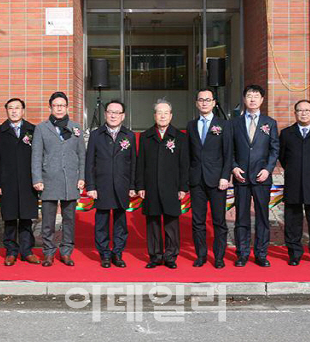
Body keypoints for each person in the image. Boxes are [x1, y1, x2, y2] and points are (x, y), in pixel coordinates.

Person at [32, 92, 85, 267]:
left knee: (69, 219)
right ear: (50, 107)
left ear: (67, 107)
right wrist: (37, 178)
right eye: (56, 105)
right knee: (48, 220)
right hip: (49, 179)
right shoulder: (41, 128)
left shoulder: (76, 128)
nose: (59, 108)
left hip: (70, 180)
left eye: (62, 105)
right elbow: (36, 155)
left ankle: (66, 252)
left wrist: (81, 177)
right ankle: (48, 253)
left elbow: (81, 156)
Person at [136, 99, 189, 269]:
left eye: (166, 113)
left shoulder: (180, 137)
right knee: (153, 222)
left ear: (171, 115)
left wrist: (183, 187)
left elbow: (184, 164)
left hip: (172, 186)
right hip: (151, 186)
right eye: (159, 112)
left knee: (171, 222)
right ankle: (155, 256)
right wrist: (140, 186)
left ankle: (171, 256)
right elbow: (140, 163)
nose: (163, 116)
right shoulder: (146, 136)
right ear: (154, 115)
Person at [230, 85, 279, 268]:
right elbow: (230, 149)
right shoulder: (234, 123)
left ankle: (261, 254)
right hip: (241, 177)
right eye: (249, 96)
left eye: (256, 96)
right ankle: (242, 253)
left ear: (262, 100)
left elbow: (275, 149)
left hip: (261, 177)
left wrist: (268, 169)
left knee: (262, 217)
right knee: (241, 217)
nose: (252, 99)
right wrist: (234, 168)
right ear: (244, 99)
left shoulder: (270, 122)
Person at [85, 99, 137, 268]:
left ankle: (118, 254)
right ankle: (105, 255)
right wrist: (91, 187)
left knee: (121, 223)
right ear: (105, 114)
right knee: (101, 223)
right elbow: (89, 163)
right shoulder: (96, 135)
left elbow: (133, 163)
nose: (113, 115)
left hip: (122, 186)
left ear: (123, 116)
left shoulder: (129, 135)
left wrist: (132, 186)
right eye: (110, 112)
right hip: (102, 186)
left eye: (117, 112)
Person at [278, 100, 310, 267]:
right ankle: (294, 253)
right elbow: (283, 157)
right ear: (295, 113)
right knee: (293, 221)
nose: (304, 113)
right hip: (293, 183)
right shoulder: (286, 133)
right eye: (300, 110)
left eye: (307, 110)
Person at [187, 89, 233, 269]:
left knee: (218, 220)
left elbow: (228, 153)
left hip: (217, 180)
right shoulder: (191, 125)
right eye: (201, 100)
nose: (204, 103)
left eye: (208, 100)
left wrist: (225, 176)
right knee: (197, 221)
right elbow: (189, 155)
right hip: (196, 179)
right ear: (197, 103)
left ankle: (219, 256)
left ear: (214, 103)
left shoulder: (223, 124)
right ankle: (201, 255)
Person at [0, 98, 40, 266]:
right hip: (7, 181)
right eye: (10, 108)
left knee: (26, 218)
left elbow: (39, 157)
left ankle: (27, 251)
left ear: (23, 111)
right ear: (6, 111)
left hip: (28, 181)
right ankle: (11, 251)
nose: (14, 111)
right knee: (10, 218)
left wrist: (38, 179)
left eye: (17, 108)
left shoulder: (33, 130)